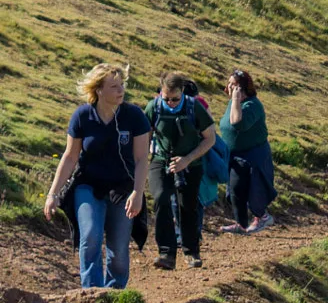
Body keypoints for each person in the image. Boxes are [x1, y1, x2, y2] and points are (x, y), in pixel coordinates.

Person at [44, 63, 151, 289]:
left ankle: (113, 297)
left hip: (123, 189)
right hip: (88, 186)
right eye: (114, 86)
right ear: (99, 90)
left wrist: (138, 192)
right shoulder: (83, 116)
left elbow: (142, 159)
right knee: (91, 236)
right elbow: (70, 157)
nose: (121, 90)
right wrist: (52, 194)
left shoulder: (134, 116)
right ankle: (92, 293)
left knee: (119, 250)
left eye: (122, 85)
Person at [146, 72, 216, 270]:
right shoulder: (154, 107)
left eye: (175, 99)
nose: (171, 102)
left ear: (182, 92)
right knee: (161, 198)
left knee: (187, 206)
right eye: (166, 98)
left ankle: (191, 252)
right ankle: (166, 252)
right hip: (161, 161)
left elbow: (210, 138)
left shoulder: (195, 107)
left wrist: (187, 160)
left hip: (190, 164)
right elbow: (144, 137)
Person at [216, 69, 275, 235]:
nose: (229, 87)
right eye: (229, 84)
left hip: (253, 156)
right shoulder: (233, 104)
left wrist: (235, 99)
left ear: (243, 88)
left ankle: (262, 218)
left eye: (233, 85)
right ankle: (241, 224)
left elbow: (237, 123)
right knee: (235, 190)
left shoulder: (253, 105)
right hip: (234, 156)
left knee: (254, 191)